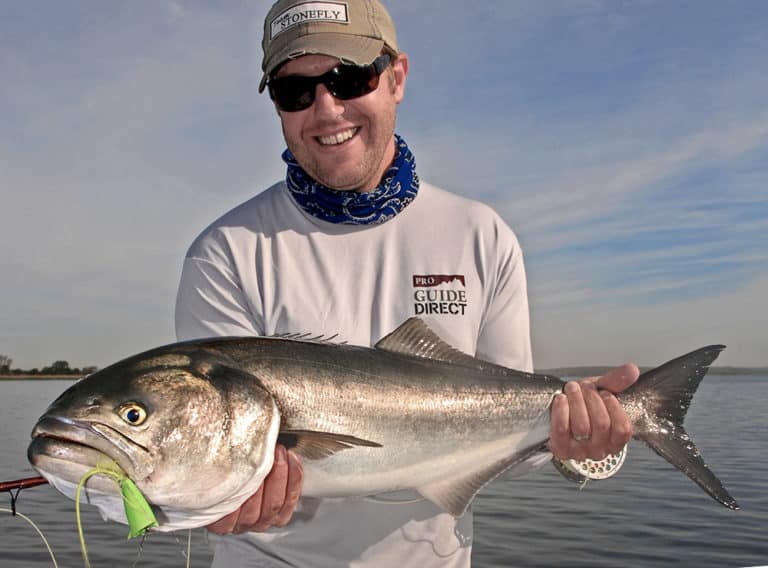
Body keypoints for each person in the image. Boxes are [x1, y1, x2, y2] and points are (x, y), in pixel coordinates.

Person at [174, 0, 638, 565]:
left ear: (396, 78)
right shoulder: (226, 252)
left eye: (349, 78)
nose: (325, 109)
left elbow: (523, 440)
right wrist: (208, 496)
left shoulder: (481, 235)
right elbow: (211, 455)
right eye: (294, 90)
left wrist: (584, 447)